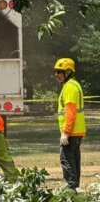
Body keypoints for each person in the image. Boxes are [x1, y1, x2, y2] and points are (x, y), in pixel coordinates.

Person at [54, 58, 85, 191]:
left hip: (71, 132)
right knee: (74, 160)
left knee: (66, 160)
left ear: (67, 72)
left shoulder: (69, 87)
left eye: (59, 71)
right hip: (77, 131)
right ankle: (75, 188)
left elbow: (71, 113)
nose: (56, 74)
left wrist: (65, 132)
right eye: (55, 71)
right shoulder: (73, 84)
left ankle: (71, 189)